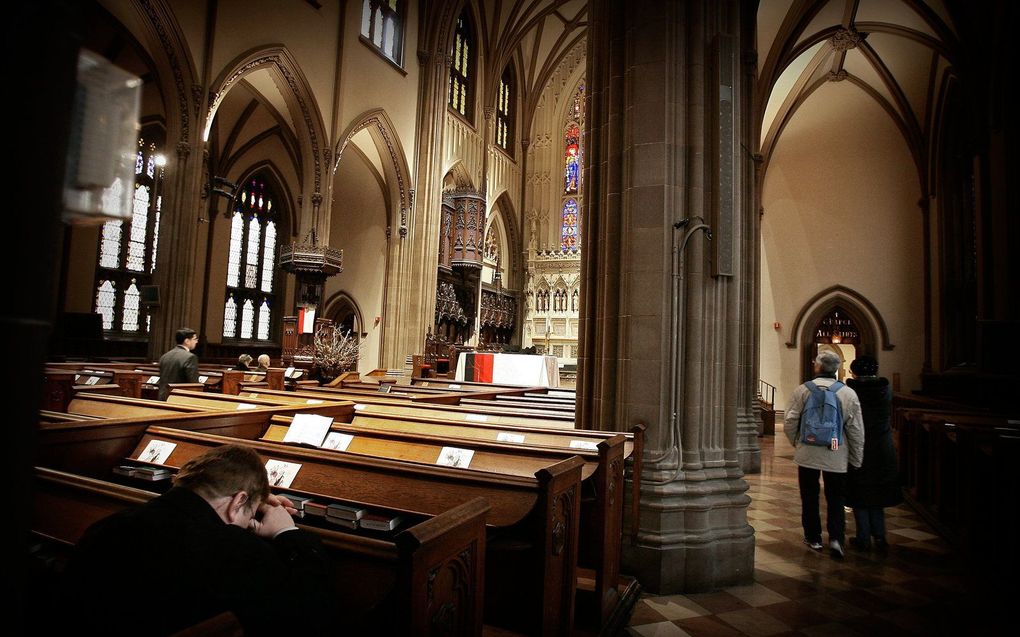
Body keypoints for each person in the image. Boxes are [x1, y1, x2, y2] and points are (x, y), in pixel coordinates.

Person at [63, 444, 332, 636]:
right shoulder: (233, 550)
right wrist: (287, 533)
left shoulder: (107, 526)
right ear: (239, 501)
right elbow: (304, 609)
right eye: (249, 512)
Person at [785, 351, 865, 558]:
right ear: (837, 369)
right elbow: (856, 430)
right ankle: (836, 539)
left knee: (809, 496)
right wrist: (856, 458)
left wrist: (797, 443)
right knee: (836, 497)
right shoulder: (848, 393)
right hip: (836, 452)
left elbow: (790, 421)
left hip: (808, 453)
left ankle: (813, 538)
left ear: (817, 367)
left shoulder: (803, 390)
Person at [845, 355, 901, 552]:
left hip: (859, 448)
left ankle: (863, 538)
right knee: (877, 495)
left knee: (860, 494)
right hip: (882, 448)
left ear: (854, 372)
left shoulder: (851, 392)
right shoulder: (885, 391)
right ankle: (880, 536)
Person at [157, 327, 199, 400]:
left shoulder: (165, 356)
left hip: (163, 397)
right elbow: (193, 384)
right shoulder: (190, 357)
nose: (196, 342)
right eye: (195, 339)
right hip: (179, 398)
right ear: (187, 341)